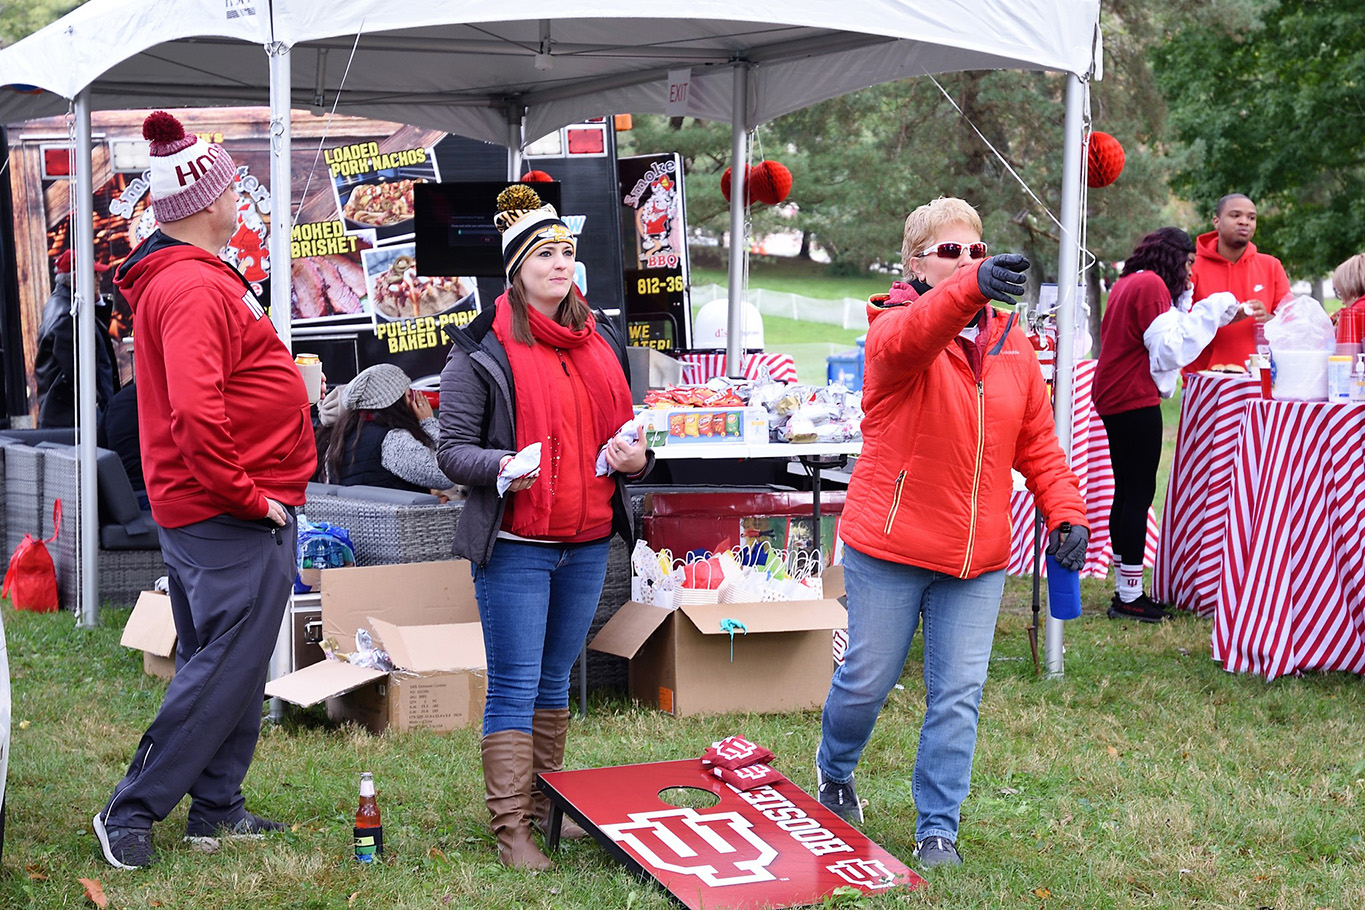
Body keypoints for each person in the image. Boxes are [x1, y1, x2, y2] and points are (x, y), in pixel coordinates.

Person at [815, 196, 1089, 870]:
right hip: (891, 545)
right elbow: (909, 341)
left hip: (979, 557)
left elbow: (1036, 441)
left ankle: (937, 828)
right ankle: (834, 770)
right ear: (913, 263)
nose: (968, 262)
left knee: (958, 695)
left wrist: (1066, 511)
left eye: (976, 251)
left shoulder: (1010, 341)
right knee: (865, 680)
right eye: (950, 252)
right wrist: (968, 290)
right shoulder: (891, 325)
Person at [94, 110, 315, 870]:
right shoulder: (190, 286)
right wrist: (249, 496)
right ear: (203, 201)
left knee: (233, 663)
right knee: (222, 668)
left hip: (222, 506)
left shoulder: (192, 278)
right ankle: (132, 809)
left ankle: (216, 808)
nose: (239, 202)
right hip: (229, 510)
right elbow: (195, 408)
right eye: (229, 190)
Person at [437, 184, 649, 870]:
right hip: (516, 545)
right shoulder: (480, 348)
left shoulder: (601, 337)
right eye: (545, 253)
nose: (561, 263)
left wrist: (636, 459)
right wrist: (500, 464)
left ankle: (542, 809)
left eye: (567, 252)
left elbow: (628, 436)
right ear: (516, 264)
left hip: (587, 540)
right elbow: (451, 450)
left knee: (557, 680)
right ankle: (511, 831)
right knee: (515, 682)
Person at [1093, 228, 1240, 622]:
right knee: (1139, 493)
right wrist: (1212, 311)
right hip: (1131, 395)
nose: (1191, 271)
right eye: (1189, 262)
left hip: (1112, 393)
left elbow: (1160, 336)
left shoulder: (1130, 281)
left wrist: (1188, 301)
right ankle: (1129, 596)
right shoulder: (1153, 286)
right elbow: (1169, 351)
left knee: (1125, 491)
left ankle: (1125, 588)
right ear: (1174, 257)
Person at [1185, 193, 1290, 372]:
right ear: (1216, 221)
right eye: (1235, 215)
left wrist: (1268, 319)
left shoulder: (1271, 266)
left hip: (1259, 380)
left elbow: (1290, 323)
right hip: (1205, 380)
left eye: (1251, 217)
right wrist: (1217, 319)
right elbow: (1180, 327)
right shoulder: (1192, 266)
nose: (1244, 222)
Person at [324, 363, 450, 495]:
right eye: (408, 396)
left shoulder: (341, 438)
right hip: (399, 515)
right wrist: (429, 423)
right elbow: (445, 475)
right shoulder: (392, 440)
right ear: (395, 403)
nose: (413, 402)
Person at [34, 249, 119, 428]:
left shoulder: (65, 304)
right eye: (94, 274)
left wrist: (97, 302)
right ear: (75, 279)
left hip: (73, 416)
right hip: (74, 420)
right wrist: (99, 408)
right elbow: (78, 374)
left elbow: (97, 334)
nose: (99, 279)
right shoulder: (67, 315)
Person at [96, 380, 147, 510]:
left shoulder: (117, 401)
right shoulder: (165, 401)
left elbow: (100, 450)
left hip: (119, 498)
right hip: (152, 496)